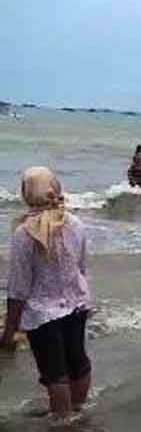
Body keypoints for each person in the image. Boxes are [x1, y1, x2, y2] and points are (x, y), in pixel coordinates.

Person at [1, 168, 94, 418]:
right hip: (77, 304)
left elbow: (18, 288)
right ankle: (77, 411)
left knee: (55, 373)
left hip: (42, 314)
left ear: (26, 194)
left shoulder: (24, 233)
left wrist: (9, 332)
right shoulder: (76, 224)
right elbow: (81, 268)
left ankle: (64, 423)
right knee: (78, 362)